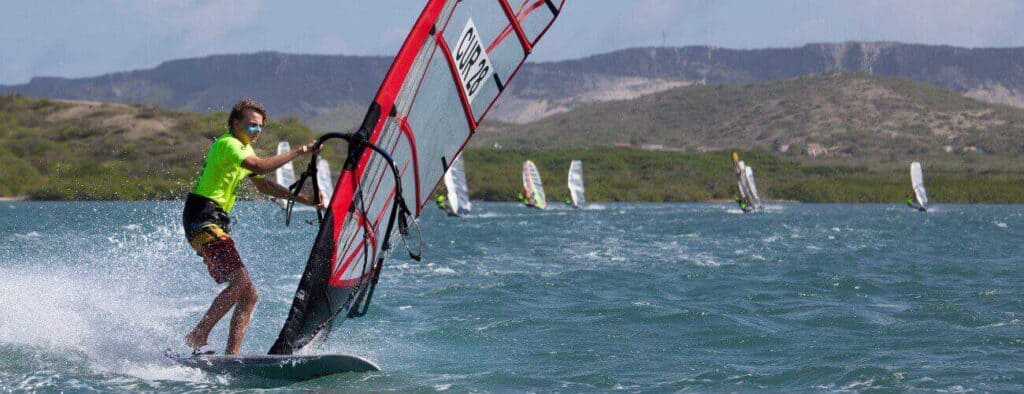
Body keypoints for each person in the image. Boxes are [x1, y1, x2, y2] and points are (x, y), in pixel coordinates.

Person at [182, 99, 323, 355]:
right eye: (251, 125)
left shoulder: (243, 149)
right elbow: (259, 166)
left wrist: (305, 200)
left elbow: (264, 185)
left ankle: (231, 356)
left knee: (249, 294)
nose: (256, 131)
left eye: (259, 127)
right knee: (240, 284)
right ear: (235, 124)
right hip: (203, 218)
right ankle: (197, 335)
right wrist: (300, 150)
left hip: (210, 221)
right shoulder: (229, 144)